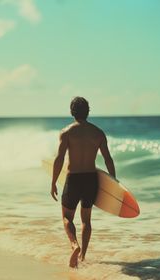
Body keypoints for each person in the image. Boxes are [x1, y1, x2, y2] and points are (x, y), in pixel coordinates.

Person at [50, 97, 116, 268]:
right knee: (86, 220)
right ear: (88, 111)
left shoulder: (66, 133)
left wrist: (53, 182)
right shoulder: (98, 133)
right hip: (91, 179)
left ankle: (74, 246)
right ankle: (83, 257)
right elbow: (108, 159)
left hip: (73, 179)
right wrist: (113, 182)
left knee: (66, 217)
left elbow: (59, 159)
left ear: (72, 112)